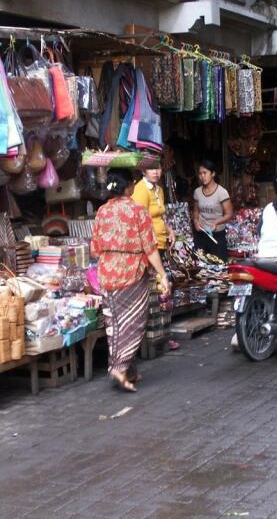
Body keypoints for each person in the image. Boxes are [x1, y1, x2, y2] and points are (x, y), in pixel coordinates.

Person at [91, 169, 171, 392]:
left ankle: (128, 370)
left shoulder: (102, 211)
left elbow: (95, 248)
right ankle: (119, 367)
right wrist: (162, 274)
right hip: (131, 273)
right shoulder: (138, 211)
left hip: (107, 273)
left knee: (114, 323)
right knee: (133, 324)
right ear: (129, 187)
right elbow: (150, 248)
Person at [130, 164, 180, 351]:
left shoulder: (159, 189)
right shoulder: (140, 190)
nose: (156, 172)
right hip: (149, 248)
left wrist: (169, 230)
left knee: (164, 291)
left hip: (160, 244)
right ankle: (155, 336)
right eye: (151, 169)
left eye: (158, 168)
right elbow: (140, 220)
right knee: (155, 292)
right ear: (143, 171)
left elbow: (160, 216)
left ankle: (164, 334)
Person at [192, 159, 232, 261]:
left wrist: (216, 222)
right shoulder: (197, 192)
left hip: (217, 235)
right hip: (201, 234)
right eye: (200, 173)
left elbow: (229, 214)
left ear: (213, 173)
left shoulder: (222, 192)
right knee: (200, 266)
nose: (202, 176)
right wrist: (196, 221)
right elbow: (196, 211)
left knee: (219, 267)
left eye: (205, 173)